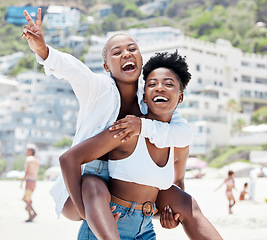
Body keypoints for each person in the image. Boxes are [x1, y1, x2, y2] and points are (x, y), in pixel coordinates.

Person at [22, 9, 222, 240]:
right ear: (107, 66)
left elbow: (180, 134)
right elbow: (73, 69)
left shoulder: (148, 103)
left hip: (129, 199)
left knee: (186, 203)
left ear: (141, 60)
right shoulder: (98, 89)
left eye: (132, 49)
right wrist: (44, 51)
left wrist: (173, 193)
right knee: (93, 185)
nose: (126, 54)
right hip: (85, 181)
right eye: (116, 52)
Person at [60, 51, 222, 239]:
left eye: (169, 84)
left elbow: (177, 186)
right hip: (110, 224)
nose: (160, 88)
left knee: (188, 203)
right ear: (144, 96)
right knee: (92, 183)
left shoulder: (178, 141)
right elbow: (68, 158)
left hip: (144, 228)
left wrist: (168, 216)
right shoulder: (128, 129)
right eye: (152, 84)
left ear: (180, 97)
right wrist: (84, 213)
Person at [20, 143, 40, 222]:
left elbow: (27, 171)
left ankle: (32, 214)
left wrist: (22, 181)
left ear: (31, 151)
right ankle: (31, 213)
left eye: (27, 150)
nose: (26, 151)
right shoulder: (36, 160)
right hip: (34, 181)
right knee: (27, 199)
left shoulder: (29, 159)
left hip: (29, 181)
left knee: (26, 199)